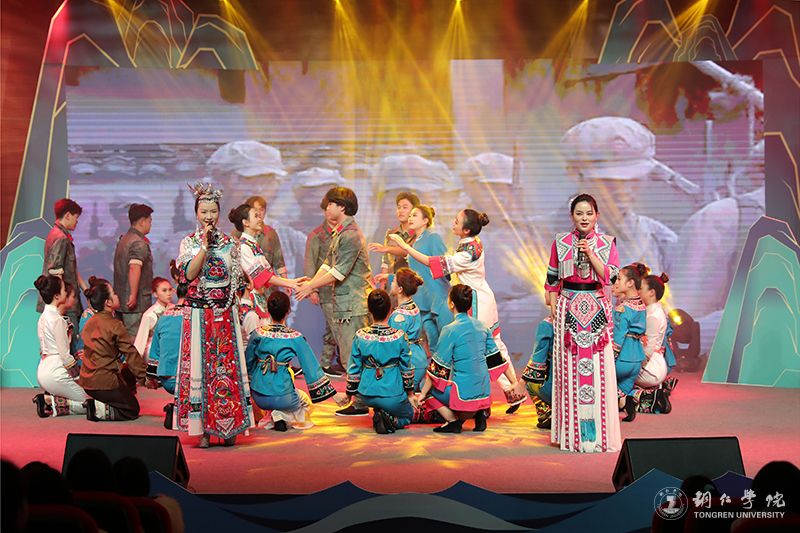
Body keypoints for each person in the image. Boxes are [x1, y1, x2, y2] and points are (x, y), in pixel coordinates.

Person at [389, 208, 525, 411]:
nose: (453, 223)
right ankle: (512, 391)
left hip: (476, 302)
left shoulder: (467, 253)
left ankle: (491, 396)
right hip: (480, 297)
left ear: (467, 229)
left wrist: (404, 246)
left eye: (457, 221)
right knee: (493, 346)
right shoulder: (471, 242)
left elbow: (432, 262)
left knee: (483, 350)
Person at [173, 182, 254, 448]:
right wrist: (205, 247)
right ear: (196, 213)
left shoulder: (231, 243)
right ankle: (204, 430)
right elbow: (188, 275)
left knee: (226, 369)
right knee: (202, 369)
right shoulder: (189, 242)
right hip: (199, 314)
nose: (209, 216)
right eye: (204, 211)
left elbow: (239, 280)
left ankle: (229, 425)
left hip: (225, 314)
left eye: (213, 211)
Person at [544, 193, 621, 452]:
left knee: (597, 371)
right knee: (568, 373)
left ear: (597, 216)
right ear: (572, 216)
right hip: (568, 307)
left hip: (595, 307)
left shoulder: (606, 243)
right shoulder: (561, 242)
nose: (584, 218)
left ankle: (597, 436)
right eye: (579, 213)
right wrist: (554, 307)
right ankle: (572, 436)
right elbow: (551, 279)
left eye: (589, 213)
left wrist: (591, 253)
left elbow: (610, 277)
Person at [296, 187, 373, 416]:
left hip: (352, 303)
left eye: (330, 204)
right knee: (349, 354)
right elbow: (327, 265)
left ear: (342, 206)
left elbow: (339, 271)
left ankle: (360, 403)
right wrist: (310, 283)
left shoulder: (350, 234)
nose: (327, 208)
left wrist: (311, 286)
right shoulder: (340, 232)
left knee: (353, 355)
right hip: (343, 303)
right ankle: (356, 398)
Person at [416, 284, 511, 433]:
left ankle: (453, 422)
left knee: (428, 390)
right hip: (484, 393)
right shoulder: (483, 327)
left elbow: (437, 369)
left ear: (451, 304)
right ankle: (480, 413)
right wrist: (514, 383)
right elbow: (497, 360)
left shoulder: (450, 330)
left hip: (463, 395)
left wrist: (421, 394)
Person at [245, 292, 338, 431]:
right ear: (288, 311)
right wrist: (334, 395)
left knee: (273, 395)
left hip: (259, 396)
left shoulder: (257, 333)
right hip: (284, 397)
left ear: (268, 310)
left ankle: (273, 415)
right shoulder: (295, 337)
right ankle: (280, 415)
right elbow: (311, 368)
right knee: (305, 402)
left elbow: (248, 363)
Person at [378, 205, 452, 352]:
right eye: (410, 215)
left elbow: (442, 267)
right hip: (423, 300)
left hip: (438, 297)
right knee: (433, 344)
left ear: (425, 220)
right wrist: (389, 276)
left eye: (415, 215)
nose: (410, 218)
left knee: (448, 342)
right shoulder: (416, 242)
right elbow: (415, 273)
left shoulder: (433, 238)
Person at [343, 289, 415, 434]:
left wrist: (349, 394)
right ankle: (389, 419)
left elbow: (354, 368)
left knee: (381, 403)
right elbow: (406, 368)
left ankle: (379, 411)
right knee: (408, 415)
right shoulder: (399, 336)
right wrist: (410, 395)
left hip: (366, 395)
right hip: (392, 394)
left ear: (369, 310)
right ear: (390, 310)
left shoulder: (360, 335)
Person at [32, 275, 100, 418]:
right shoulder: (57, 320)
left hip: (43, 370)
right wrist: (78, 377)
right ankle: (51, 401)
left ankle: (48, 400)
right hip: (56, 372)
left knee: (86, 400)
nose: (66, 292)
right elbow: (64, 355)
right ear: (57, 296)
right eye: (64, 290)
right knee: (91, 402)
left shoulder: (43, 317)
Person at [79, 278, 147, 421]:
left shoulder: (89, 321)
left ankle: (91, 404)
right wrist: (144, 377)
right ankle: (97, 410)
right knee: (132, 409)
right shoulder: (114, 325)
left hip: (86, 381)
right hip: (104, 382)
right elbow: (130, 353)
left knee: (125, 375)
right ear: (108, 302)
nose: (117, 295)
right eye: (114, 293)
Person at [228, 203, 304, 315]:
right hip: (251, 300)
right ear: (246, 222)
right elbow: (262, 276)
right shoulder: (244, 247)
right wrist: (291, 283)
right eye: (256, 216)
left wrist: (291, 282)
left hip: (259, 297)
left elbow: (267, 275)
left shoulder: (252, 244)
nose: (260, 219)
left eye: (260, 216)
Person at [37, 198, 88, 351]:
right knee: (69, 345)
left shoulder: (56, 234)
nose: (77, 221)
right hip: (64, 303)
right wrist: (61, 300)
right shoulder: (60, 238)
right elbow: (55, 271)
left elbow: (69, 267)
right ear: (67, 215)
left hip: (62, 299)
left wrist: (85, 289)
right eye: (76, 217)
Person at [304, 200, 342, 375]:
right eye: (327, 208)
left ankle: (328, 363)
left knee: (334, 326)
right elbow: (310, 263)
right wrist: (312, 289)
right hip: (325, 289)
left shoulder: (344, 232)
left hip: (343, 289)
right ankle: (331, 362)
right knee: (335, 327)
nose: (330, 211)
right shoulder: (317, 235)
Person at [147, 264, 188, 428]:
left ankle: (176, 408)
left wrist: (151, 377)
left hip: (167, 380)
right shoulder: (195, 317)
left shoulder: (164, 316)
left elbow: (154, 351)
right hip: (188, 380)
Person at [633, 272, 678, 414]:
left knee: (617, 372)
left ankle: (647, 397)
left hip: (651, 368)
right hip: (655, 363)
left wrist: (630, 364)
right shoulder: (655, 310)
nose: (638, 291)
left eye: (641, 288)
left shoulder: (652, 315)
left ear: (651, 292)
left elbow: (648, 350)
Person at [611, 264, 648, 422]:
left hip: (623, 358)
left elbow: (618, 338)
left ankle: (624, 400)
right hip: (637, 359)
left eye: (619, 279)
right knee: (624, 389)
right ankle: (630, 398)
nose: (616, 282)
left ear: (630, 283)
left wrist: (610, 359)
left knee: (601, 382)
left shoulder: (623, 309)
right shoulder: (642, 305)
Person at [113, 203, 154, 337]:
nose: (151, 224)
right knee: (136, 341)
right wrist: (133, 294)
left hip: (121, 301)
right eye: (149, 221)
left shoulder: (124, 239)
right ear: (142, 222)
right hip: (136, 304)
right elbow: (134, 267)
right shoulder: (138, 242)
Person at [388, 268, 428, 391]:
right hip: (419, 357)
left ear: (400, 289)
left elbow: (395, 346)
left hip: (409, 363)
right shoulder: (413, 306)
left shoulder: (398, 316)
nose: (391, 283)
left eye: (393, 281)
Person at [368, 191, 420, 282]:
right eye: (399, 207)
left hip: (410, 282)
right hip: (392, 281)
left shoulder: (418, 233)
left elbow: (407, 251)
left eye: (405, 207)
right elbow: (386, 262)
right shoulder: (391, 233)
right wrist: (382, 284)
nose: (401, 211)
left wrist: (386, 248)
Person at [519, 316, 554, 429]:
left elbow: (538, 360)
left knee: (531, 383)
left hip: (557, 390)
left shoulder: (547, 324)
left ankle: (546, 414)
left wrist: (521, 383)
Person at [132, 277, 174, 361]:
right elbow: (140, 342)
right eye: (164, 290)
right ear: (155, 294)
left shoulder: (176, 309)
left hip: (172, 351)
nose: (169, 293)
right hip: (155, 354)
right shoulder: (149, 315)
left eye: (170, 290)